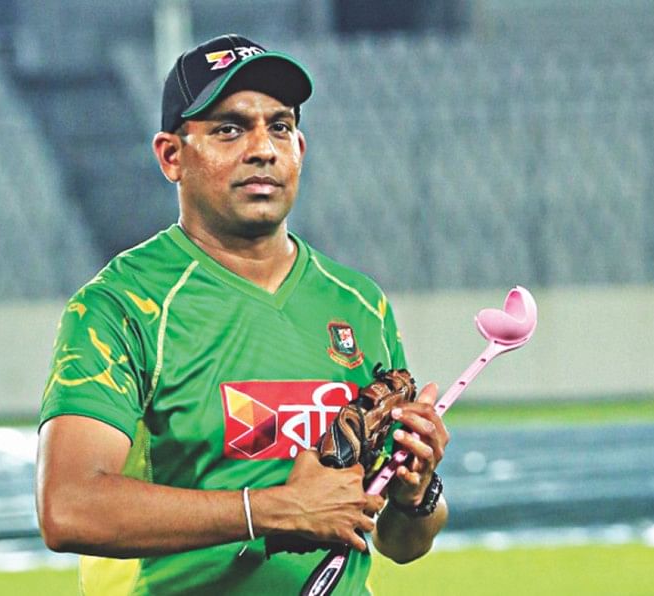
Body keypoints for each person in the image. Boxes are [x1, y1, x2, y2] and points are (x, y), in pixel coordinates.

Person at [36, 34, 450, 595]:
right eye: (229, 129)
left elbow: (401, 544)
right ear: (171, 156)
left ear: (299, 147)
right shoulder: (121, 305)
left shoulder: (359, 303)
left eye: (279, 126)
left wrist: (415, 494)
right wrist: (271, 509)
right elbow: (69, 506)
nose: (262, 149)